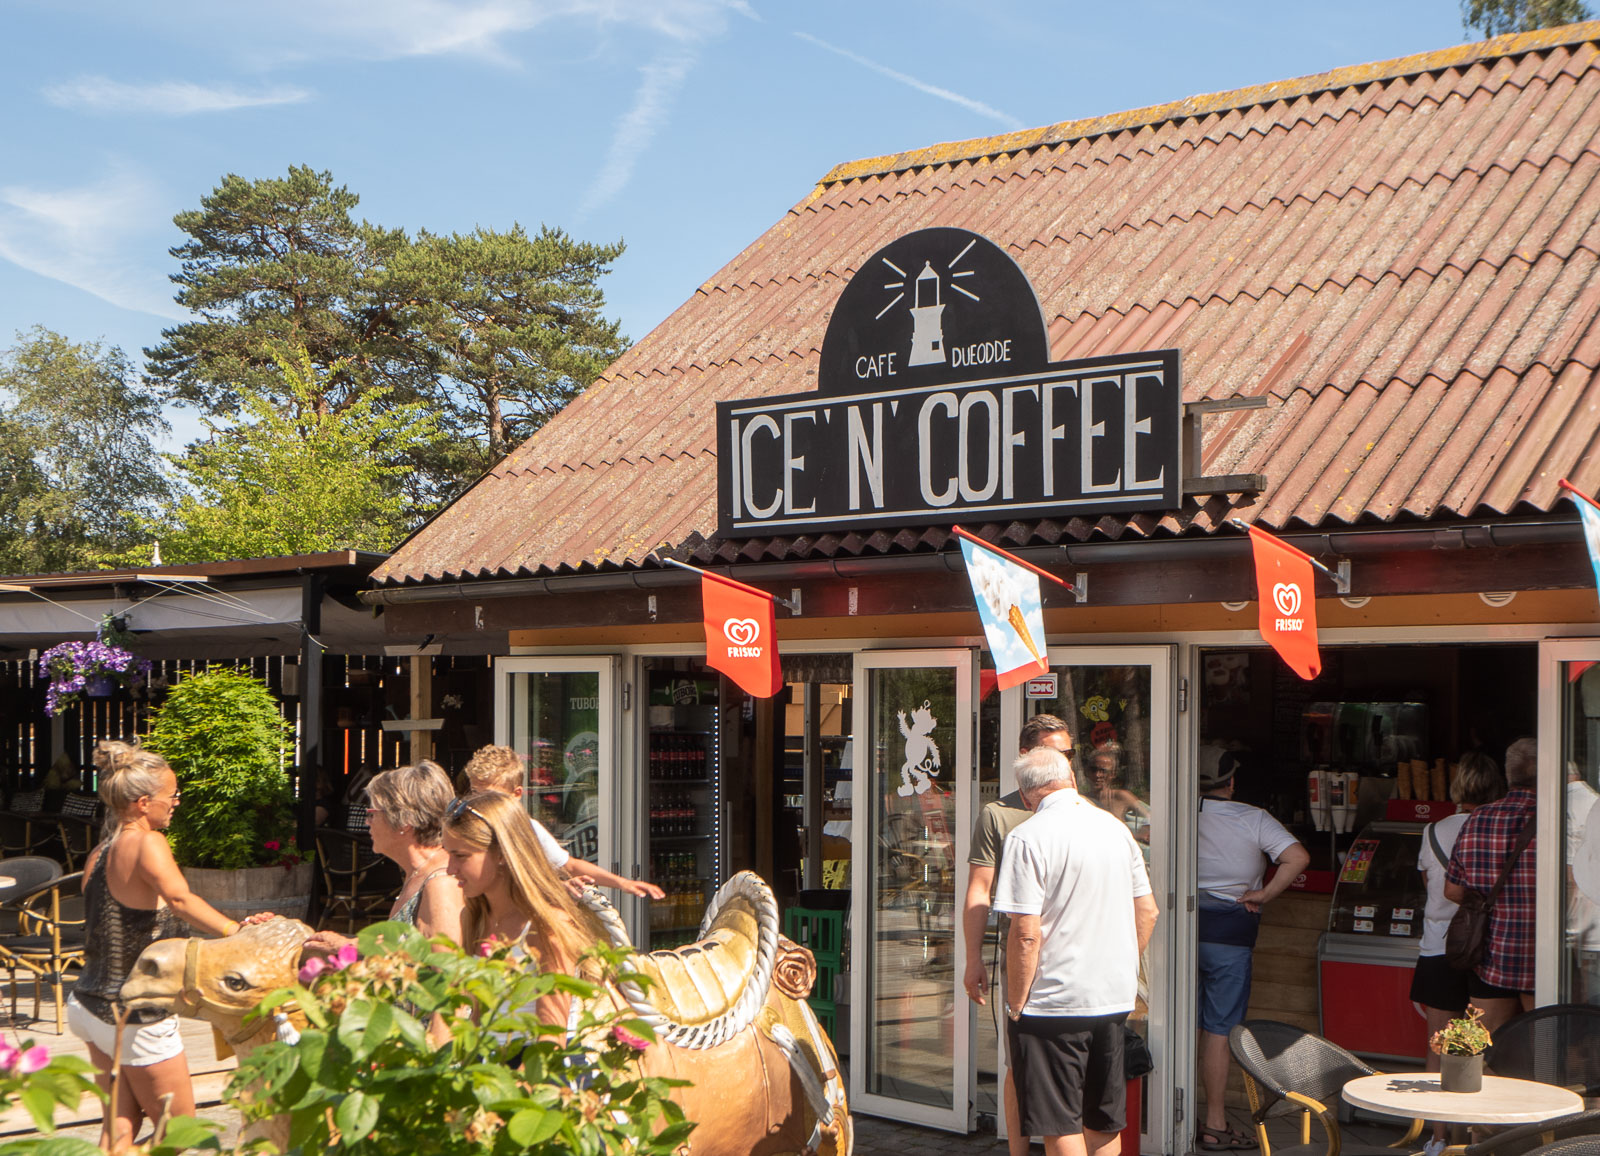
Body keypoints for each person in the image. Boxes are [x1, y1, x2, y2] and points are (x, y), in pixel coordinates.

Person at [68, 742, 257, 1151]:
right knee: (179, 1129)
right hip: (135, 1012)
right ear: (142, 803)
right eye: (171, 795)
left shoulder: (99, 853)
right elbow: (179, 899)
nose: (176, 802)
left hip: (87, 1004)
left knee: (119, 1129)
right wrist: (237, 931)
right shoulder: (147, 843)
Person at [992, 746, 1159, 1156]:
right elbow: (1148, 912)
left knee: (1059, 1122)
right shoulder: (1115, 829)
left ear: (1025, 795)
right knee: (1102, 1121)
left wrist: (1017, 1003)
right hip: (1112, 996)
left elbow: (1025, 934)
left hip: (1053, 1002)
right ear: (1071, 780)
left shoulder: (1027, 836)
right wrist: (1121, 963)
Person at [962, 712, 1073, 1156]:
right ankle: (1019, 1149)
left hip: (1079, 952)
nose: (1064, 761)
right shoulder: (1000, 814)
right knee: (1019, 1061)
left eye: (1068, 753)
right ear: (1026, 756)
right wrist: (973, 958)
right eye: (1053, 752)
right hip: (1024, 952)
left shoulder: (1086, 810)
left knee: (1080, 1066)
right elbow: (979, 889)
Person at [1195, 747, 1310, 1152]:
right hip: (1230, 935)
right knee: (1218, 1030)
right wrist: (1263, 894)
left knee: (1174, 1023)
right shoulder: (1253, 817)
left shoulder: (1178, 812)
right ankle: (1214, 1123)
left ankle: (1169, 1115)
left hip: (1178, 934)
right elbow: (1298, 858)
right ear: (1231, 783)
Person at [441, 790, 609, 1028]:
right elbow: (478, 1017)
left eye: (461, 856)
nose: (450, 869)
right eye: (449, 854)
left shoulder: (546, 926)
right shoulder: (474, 917)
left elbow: (551, 1036)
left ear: (501, 853)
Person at [1410, 751, 1505, 1152]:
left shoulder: (1433, 830)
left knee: (1439, 1045)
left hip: (1439, 946)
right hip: (1489, 947)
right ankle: (1480, 1137)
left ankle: (1438, 1138)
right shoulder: (1501, 828)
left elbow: (1428, 884)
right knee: (1488, 1044)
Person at [304, 760, 465, 955]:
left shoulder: (441, 883)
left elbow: (446, 964)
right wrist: (349, 944)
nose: (367, 822)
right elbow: (402, 944)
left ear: (405, 821)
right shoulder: (419, 872)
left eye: (372, 813)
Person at [462, 745, 664, 899]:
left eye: (490, 796)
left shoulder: (527, 830)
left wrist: (622, 883)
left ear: (516, 794)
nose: (479, 802)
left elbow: (569, 865)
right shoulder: (463, 827)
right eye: (475, 793)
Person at [1445, 737, 1538, 1031]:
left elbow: (1453, 891)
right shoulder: (1558, 818)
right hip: (1543, 962)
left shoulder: (1477, 818)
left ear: (1508, 775)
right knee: (1551, 1051)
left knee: (1486, 1047)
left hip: (1490, 956)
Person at [1084, 743, 1150, 838]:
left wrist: (1141, 833)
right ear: (1087, 772)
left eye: (1103, 771)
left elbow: (1149, 817)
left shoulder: (1121, 796)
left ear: (1113, 774)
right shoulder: (1082, 800)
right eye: (1093, 770)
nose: (1097, 775)